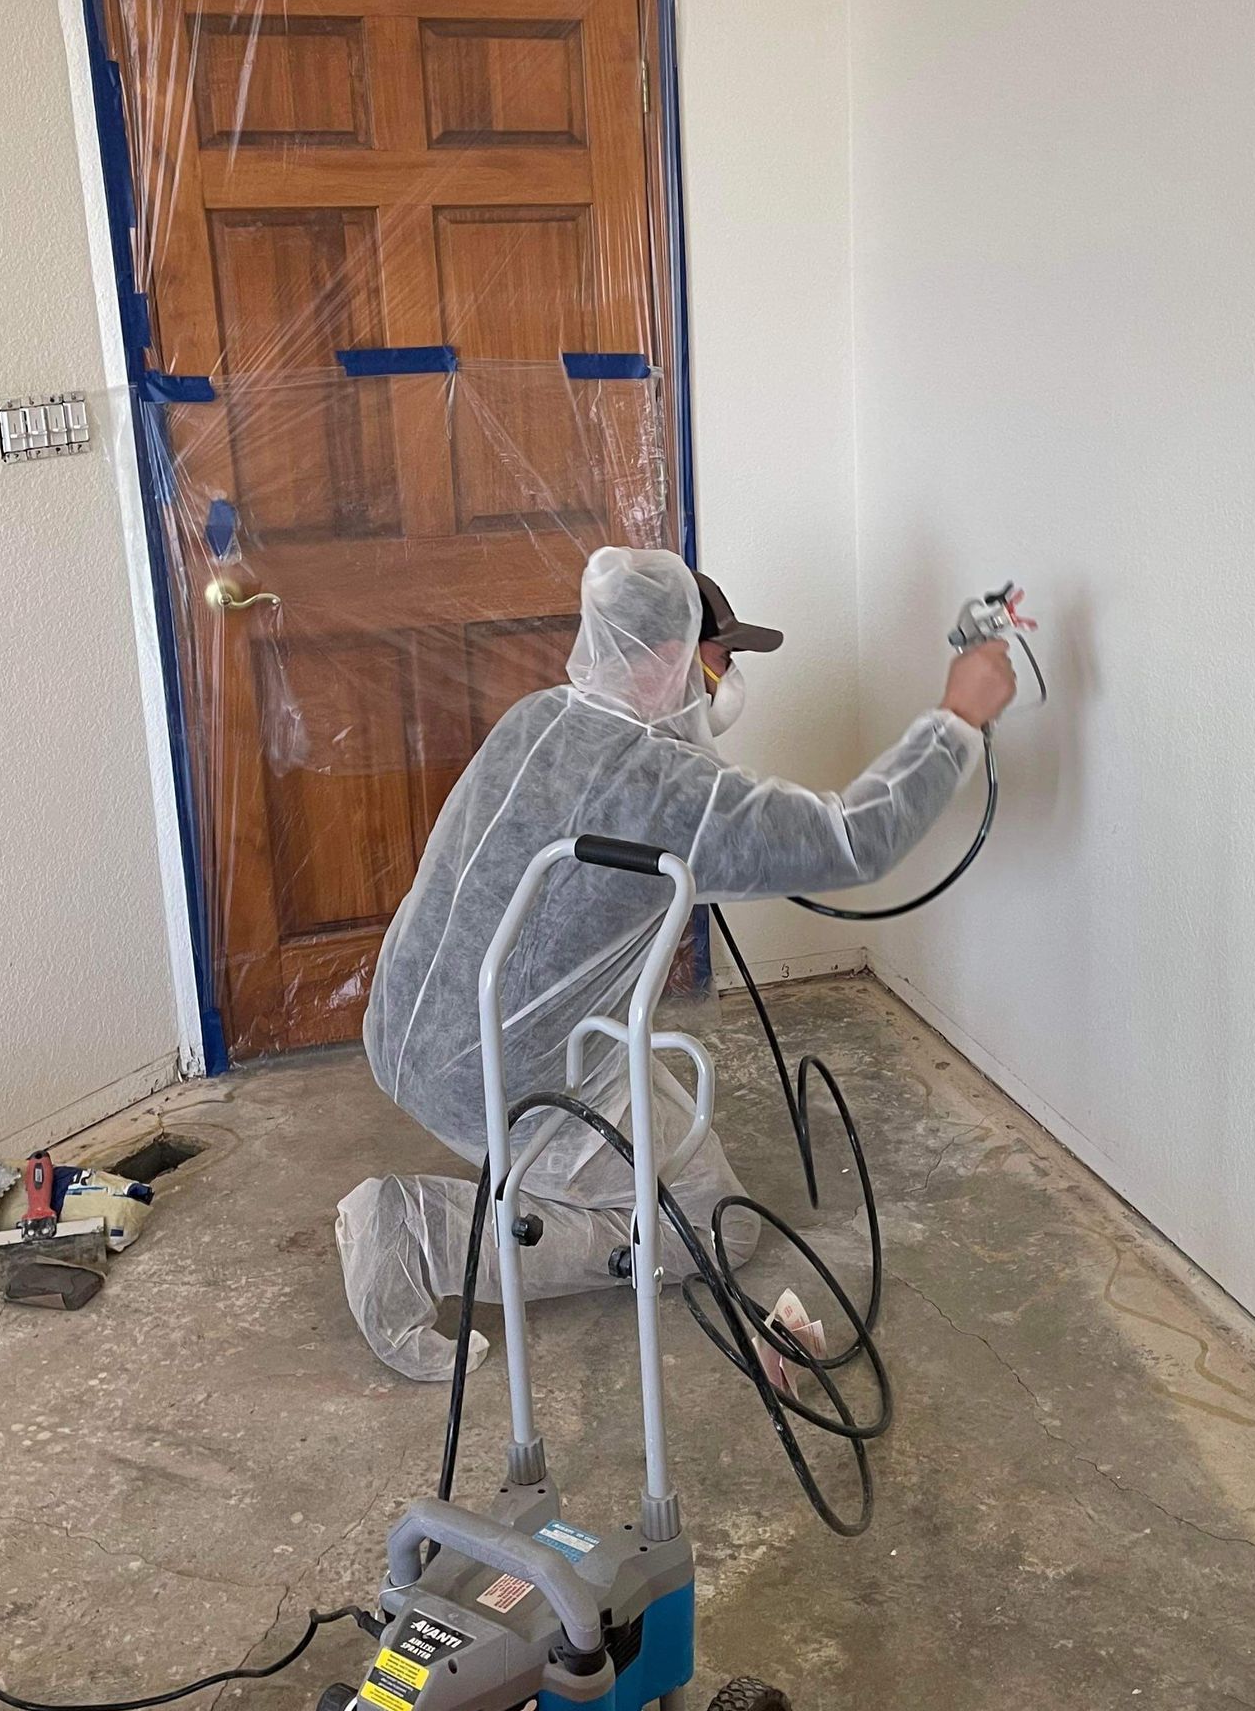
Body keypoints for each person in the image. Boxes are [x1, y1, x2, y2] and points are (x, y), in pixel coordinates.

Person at [338, 547, 1014, 1369]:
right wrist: (956, 720)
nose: (727, 682)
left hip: (407, 1017)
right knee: (706, 1228)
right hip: (500, 1074)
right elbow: (851, 838)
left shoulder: (539, 717)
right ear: (667, 659)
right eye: (721, 660)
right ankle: (420, 1237)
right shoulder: (666, 791)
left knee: (663, 1136)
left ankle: (542, 1180)